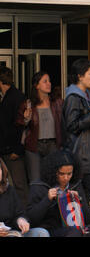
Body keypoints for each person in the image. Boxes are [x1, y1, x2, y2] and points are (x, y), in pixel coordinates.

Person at [26, 150, 90, 237]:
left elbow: (88, 218)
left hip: (74, 227)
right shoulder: (39, 186)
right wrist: (47, 199)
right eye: (61, 174)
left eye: (69, 174)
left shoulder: (75, 185)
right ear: (53, 172)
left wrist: (79, 201)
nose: (66, 178)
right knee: (74, 232)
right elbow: (31, 219)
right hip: (49, 230)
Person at [62, 59, 90, 202]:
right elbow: (72, 125)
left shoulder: (86, 96)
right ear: (80, 76)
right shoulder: (74, 97)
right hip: (82, 158)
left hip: (87, 157)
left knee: (87, 200)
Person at [16, 71, 63, 183]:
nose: (49, 84)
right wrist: (26, 119)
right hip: (34, 146)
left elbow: (64, 123)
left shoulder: (57, 103)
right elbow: (18, 125)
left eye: (49, 81)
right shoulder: (28, 105)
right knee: (35, 181)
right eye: (45, 81)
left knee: (54, 179)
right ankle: (37, 201)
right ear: (37, 85)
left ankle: (52, 201)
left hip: (53, 145)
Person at [0, 66, 29, 207]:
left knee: (19, 185)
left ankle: (25, 217)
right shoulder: (9, 97)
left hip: (13, 150)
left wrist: (18, 149)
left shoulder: (15, 97)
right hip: (8, 149)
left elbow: (21, 125)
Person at [0, 158, 49, 237]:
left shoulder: (8, 189)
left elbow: (19, 213)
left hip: (10, 233)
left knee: (41, 233)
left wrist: (21, 220)